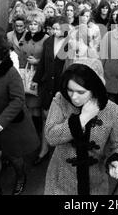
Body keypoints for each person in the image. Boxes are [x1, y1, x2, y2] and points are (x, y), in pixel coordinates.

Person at [44, 59, 118, 195]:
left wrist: (117, 160)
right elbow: (51, 136)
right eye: (70, 90)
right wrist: (82, 119)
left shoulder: (113, 111)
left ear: (95, 88)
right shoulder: (60, 100)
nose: (74, 97)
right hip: (60, 181)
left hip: (95, 183)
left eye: (81, 92)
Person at [0, 30, 39, 195]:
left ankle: (21, 176)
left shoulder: (11, 74)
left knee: (14, 157)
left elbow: (18, 100)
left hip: (12, 124)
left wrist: (1, 121)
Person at [32, 16, 69, 164]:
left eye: (58, 28)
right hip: (47, 86)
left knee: (63, 120)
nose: (54, 31)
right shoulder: (48, 41)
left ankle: (60, 153)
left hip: (63, 87)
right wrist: (35, 80)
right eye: (53, 28)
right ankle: (44, 149)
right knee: (45, 117)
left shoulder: (70, 44)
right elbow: (42, 64)